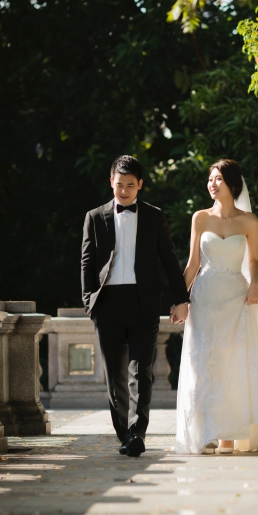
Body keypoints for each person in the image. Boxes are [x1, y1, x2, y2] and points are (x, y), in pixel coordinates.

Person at [173, 158, 258, 454]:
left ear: (232, 184)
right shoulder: (200, 218)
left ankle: (228, 437)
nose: (212, 184)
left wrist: (254, 283)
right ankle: (205, 433)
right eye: (210, 179)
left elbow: (253, 260)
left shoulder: (249, 221)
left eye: (218, 179)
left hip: (236, 298)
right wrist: (179, 298)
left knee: (233, 363)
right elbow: (192, 263)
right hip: (204, 298)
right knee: (204, 364)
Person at [81, 155, 190, 457]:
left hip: (143, 303)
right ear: (111, 182)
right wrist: (90, 301)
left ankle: (138, 434)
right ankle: (125, 435)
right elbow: (87, 262)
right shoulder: (94, 217)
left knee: (141, 371)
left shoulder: (154, 216)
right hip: (108, 303)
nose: (124, 191)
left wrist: (181, 299)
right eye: (119, 185)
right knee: (115, 374)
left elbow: (169, 260)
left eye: (131, 185)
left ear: (140, 185)